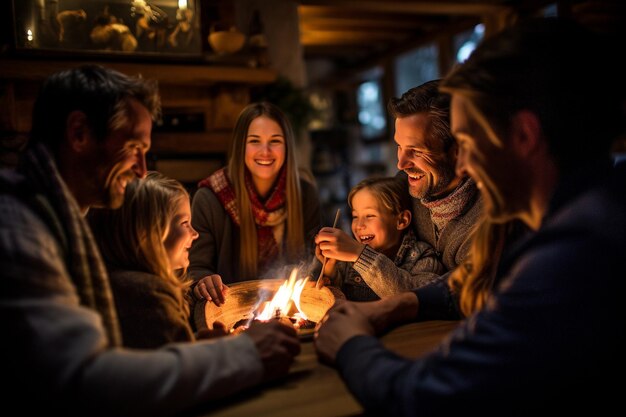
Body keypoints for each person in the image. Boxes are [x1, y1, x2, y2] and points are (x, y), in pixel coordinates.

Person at [314, 17, 626, 415]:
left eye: (465, 142)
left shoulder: (573, 257)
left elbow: (422, 398)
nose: (462, 168)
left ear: (524, 136)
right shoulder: (586, 208)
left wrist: (350, 345)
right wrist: (396, 305)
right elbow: (472, 277)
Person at [0, 65, 300, 416]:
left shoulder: (56, 217)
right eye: (133, 147)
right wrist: (242, 354)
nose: (142, 170)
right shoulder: (18, 230)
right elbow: (83, 381)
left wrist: (198, 353)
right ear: (79, 133)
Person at [189, 101, 321, 307]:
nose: (265, 151)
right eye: (254, 141)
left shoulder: (305, 194)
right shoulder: (209, 199)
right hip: (230, 311)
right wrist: (203, 282)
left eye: (275, 141)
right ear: (240, 146)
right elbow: (196, 270)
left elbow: (314, 265)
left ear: (287, 146)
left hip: (290, 308)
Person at [88, 171, 206, 348]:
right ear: (147, 234)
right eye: (184, 223)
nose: (195, 234)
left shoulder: (117, 281)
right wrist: (213, 348)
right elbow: (180, 367)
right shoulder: (148, 296)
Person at [390, 79, 483, 275]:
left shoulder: (488, 220)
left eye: (416, 150)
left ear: (458, 150)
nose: (401, 164)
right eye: (399, 146)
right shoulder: (402, 188)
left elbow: (462, 296)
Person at [315, 176, 444, 301]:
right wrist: (330, 273)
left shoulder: (422, 256)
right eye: (355, 216)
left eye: (370, 215)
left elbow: (413, 298)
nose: (359, 225)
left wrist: (361, 256)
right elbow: (337, 302)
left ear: (401, 220)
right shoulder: (346, 261)